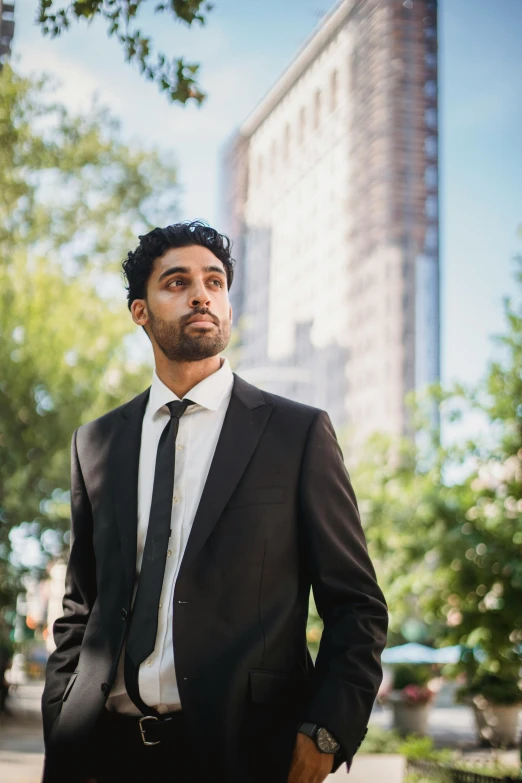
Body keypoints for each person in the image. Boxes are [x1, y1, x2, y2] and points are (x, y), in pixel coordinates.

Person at [41, 220, 388, 783]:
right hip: (102, 753)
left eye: (215, 282)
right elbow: (81, 607)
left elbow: (357, 607)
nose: (201, 294)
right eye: (176, 282)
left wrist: (325, 732)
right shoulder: (97, 443)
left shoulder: (296, 435)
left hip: (248, 755)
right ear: (140, 311)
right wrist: (62, 722)